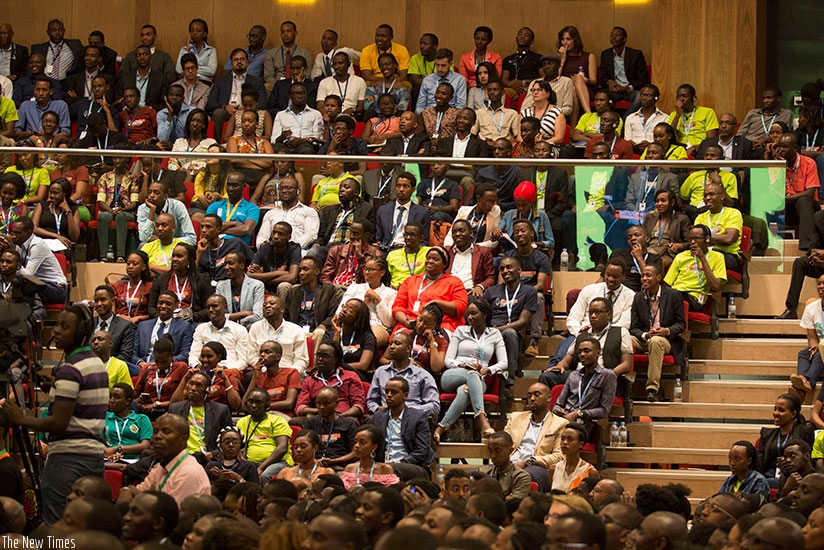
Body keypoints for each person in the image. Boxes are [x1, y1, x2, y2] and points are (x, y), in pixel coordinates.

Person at [1, 303, 105, 525]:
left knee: (58, 529)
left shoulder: (70, 369)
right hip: (92, 457)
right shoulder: (95, 362)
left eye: (65, 327)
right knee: (82, 528)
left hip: (67, 460)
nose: (56, 330)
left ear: (81, 332)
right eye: (57, 325)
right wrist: (55, 388)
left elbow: (59, 422)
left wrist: (22, 419)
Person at [435, 298, 507, 441]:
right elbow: (448, 360)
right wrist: (461, 365)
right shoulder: (460, 331)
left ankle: (440, 428)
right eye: (468, 314)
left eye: (474, 313)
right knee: (472, 374)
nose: (470, 317)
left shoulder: (494, 334)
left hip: (479, 378)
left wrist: (488, 370)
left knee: (465, 391)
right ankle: (482, 420)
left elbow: (504, 362)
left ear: (484, 314)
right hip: (453, 375)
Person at [543, 297, 633, 390]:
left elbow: (626, 364)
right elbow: (567, 360)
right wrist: (560, 366)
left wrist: (609, 374)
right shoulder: (582, 335)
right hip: (579, 375)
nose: (593, 316)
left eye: (598, 312)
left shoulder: (621, 332)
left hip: (603, 376)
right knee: (547, 377)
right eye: (590, 312)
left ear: (608, 315)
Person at [120, 413, 211, 506]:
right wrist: (127, 490)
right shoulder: (160, 466)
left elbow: (168, 513)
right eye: (155, 431)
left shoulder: (188, 472)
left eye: (166, 432)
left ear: (183, 439)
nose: (157, 436)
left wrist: (132, 493)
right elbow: (139, 491)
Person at [630, 264, 686, 402]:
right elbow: (634, 327)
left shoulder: (673, 295)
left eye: (648, 275)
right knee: (625, 340)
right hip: (645, 338)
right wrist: (644, 335)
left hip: (666, 340)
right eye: (643, 276)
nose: (644, 278)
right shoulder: (638, 298)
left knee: (655, 341)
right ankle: (622, 385)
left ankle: (652, 389)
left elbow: (681, 324)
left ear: (659, 277)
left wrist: (666, 331)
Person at [504, 382, 567, 492]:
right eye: (529, 396)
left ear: (549, 398)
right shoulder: (515, 418)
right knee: (476, 474)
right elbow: (504, 444)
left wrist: (530, 461)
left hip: (537, 466)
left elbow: (560, 456)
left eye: (537, 395)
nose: (532, 399)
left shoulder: (560, 424)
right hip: (510, 464)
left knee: (525, 476)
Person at [370, 375, 435, 481]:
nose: (389, 395)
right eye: (387, 392)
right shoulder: (378, 416)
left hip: (411, 465)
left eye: (394, 392)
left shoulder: (417, 417)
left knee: (387, 470)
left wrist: (399, 463)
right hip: (382, 465)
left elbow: (422, 451)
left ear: (405, 395)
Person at [484, 256, 537, 381]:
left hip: (512, 332)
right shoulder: (491, 291)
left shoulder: (529, 291)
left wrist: (498, 330)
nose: (505, 271)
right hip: (489, 330)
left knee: (509, 333)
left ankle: (509, 379)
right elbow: (482, 312)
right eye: (502, 268)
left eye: (509, 267)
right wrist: (490, 328)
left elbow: (523, 321)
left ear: (519, 270)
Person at [393, 246, 468, 333]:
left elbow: (460, 307)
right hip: (411, 324)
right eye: (428, 258)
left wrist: (437, 304)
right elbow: (397, 306)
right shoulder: (410, 281)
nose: (430, 261)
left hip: (441, 325)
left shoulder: (455, 282)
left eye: (435, 259)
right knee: (400, 339)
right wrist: (405, 321)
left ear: (444, 264)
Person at [551, 336, 618, 432]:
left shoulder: (607, 375)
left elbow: (604, 410)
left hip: (583, 424)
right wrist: (558, 410)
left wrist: (579, 413)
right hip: (564, 419)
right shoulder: (573, 375)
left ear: (598, 353)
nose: (582, 354)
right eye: (579, 352)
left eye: (587, 351)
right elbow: (558, 403)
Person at [367, 332, 439, 416]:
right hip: (385, 417)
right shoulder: (380, 372)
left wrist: (409, 411)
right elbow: (371, 400)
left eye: (397, 343)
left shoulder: (423, 375)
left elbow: (434, 405)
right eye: (391, 343)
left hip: (412, 418)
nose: (392, 346)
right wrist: (378, 409)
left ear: (408, 348)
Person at [168, 371, 234, 461]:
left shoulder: (220, 410)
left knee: (199, 456)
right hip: (182, 457)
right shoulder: (176, 409)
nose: (193, 388)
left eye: (199, 385)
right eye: (191, 384)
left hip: (208, 459)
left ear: (207, 390)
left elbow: (228, 438)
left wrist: (213, 454)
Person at [1, 216, 67, 304]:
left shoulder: (37, 245)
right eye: (12, 233)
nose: (13, 236)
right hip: (38, 283)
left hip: (55, 288)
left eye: (18, 233)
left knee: (24, 288)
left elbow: (28, 275)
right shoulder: (20, 245)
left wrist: (12, 251)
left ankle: (35, 311)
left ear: (29, 233)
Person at [334, 256, 397, 347]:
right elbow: (339, 312)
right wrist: (360, 305)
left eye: (371, 270)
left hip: (376, 326)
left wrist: (378, 300)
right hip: (352, 324)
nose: (366, 272)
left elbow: (389, 323)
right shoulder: (354, 288)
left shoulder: (391, 293)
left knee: (369, 338)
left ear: (382, 272)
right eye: (365, 269)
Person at [294, 341, 366, 420]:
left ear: (335, 359)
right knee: (295, 421)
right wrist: (322, 411)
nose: (320, 359)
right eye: (318, 355)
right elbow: (300, 408)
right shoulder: (309, 380)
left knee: (350, 421)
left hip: (344, 417)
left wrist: (339, 416)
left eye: (325, 356)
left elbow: (359, 406)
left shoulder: (350, 376)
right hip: (318, 418)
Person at [664, 224, 727, 312]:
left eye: (697, 238)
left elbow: (715, 286)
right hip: (675, 294)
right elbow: (667, 284)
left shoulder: (718, 257)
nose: (693, 242)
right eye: (691, 239)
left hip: (694, 297)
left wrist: (702, 258)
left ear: (707, 239)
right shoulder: (681, 256)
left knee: (675, 299)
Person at [756, 393, 815, 485]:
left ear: (793, 414)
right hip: (769, 475)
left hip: (795, 475)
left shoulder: (805, 431)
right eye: (775, 409)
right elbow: (760, 462)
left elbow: (808, 461)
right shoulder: (766, 434)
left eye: (781, 410)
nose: (776, 413)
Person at [237, 387, 294, 482]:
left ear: (267, 405)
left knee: (265, 475)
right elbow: (237, 447)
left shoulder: (277, 421)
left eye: (258, 402)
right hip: (251, 463)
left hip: (279, 462)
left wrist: (261, 467)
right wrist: (245, 464)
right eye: (250, 401)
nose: (253, 405)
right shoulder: (242, 422)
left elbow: (282, 448)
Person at [148, 243, 214, 323]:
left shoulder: (201, 280)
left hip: (191, 322)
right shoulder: (161, 279)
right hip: (165, 322)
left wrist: (193, 316)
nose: (174, 259)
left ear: (189, 260)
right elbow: (151, 307)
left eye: (179, 256)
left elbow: (209, 308)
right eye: (173, 256)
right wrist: (163, 318)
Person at [206, 49, 266, 137]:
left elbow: (263, 104)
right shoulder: (221, 80)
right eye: (236, 59)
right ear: (231, 64)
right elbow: (210, 103)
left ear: (247, 62)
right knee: (218, 113)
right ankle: (218, 143)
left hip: (247, 112)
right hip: (226, 112)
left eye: (242, 59)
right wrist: (225, 107)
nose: (239, 62)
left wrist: (246, 109)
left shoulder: (257, 82)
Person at [286, 256, 342, 348]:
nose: (301, 273)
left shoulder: (328, 290)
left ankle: (314, 358)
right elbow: (286, 314)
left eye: (305, 269)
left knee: (319, 333)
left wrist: (323, 325)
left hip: (317, 330)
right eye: (300, 270)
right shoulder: (294, 292)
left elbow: (333, 313)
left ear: (317, 271)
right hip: (297, 330)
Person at [777, 133, 820, 251]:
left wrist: (785, 198)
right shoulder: (775, 165)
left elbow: (809, 193)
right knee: (764, 200)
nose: (781, 150)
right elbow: (771, 191)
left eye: (785, 147)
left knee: (804, 201)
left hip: (806, 210)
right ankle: (761, 244)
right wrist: (779, 167)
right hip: (785, 209)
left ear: (795, 148)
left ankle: (807, 246)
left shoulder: (809, 163)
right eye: (780, 146)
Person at [189, 294, 255, 372]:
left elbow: (243, 361)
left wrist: (225, 368)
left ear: (225, 308)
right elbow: (193, 355)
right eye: (208, 307)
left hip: (229, 370)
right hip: (205, 370)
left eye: (214, 306)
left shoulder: (239, 330)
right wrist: (197, 366)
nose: (211, 309)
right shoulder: (201, 329)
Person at [248, 295, 310, 377]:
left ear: (282, 309)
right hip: (263, 372)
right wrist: (264, 370)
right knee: (249, 376)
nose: (267, 306)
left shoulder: (296, 330)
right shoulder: (255, 328)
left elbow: (301, 360)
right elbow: (251, 356)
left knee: (302, 380)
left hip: (289, 371)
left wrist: (289, 374)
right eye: (264, 305)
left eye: (272, 303)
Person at [256, 175, 318, 251]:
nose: (284, 191)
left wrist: (290, 248)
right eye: (281, 188)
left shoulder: (309, 212)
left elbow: (310, 235)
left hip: (298, 251)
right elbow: (262, 236)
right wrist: (263, 244)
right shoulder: (271, 213)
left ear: (298, 191)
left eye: (288, 188)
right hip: (273, 251)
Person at [96, 155, 139, 262]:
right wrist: (111, 211)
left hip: (126, 211)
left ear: (127, 159)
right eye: (115, 158)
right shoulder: (105, 177)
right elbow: (101, 201)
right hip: (108, 209)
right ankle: (103, 256)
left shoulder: (132, 178)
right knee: (103, 216)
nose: (117, 161)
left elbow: (134, 202)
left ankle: (121, 255)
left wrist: (123, 210)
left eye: (120, 158)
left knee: (121, 216)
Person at [133, 333, 189, 415]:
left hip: (170, 412)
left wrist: (158, 404)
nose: (160, 365)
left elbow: (182, 398)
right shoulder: (147, 369)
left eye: (164, 362)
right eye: (157, 361)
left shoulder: (181, 367)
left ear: (172, 356)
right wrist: (139, 401)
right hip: (146, 412)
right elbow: (135, 396)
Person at [789, 274, 824, 401]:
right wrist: (813, 347)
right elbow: (812, 336)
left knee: (820, 352)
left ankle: (808, 382)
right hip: (820, 346)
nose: (821, 287)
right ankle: (803, 379)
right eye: (819, 283)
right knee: (804, 354)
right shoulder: (811, 308)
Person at [375, 172, 431, 251]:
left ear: (413, 189)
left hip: (409, 251)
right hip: (385, 250)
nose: (401, 189)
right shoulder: (383, 210)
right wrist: (378, 244)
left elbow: (424, 242)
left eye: (405, 186)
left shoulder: (422, 213)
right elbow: (378, 238)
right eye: (398, 186)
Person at [598, 27, 649, 114]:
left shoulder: (635, 55)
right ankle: (609, 120)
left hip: (631, 90)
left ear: (624, 39)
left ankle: (625, 120)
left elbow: (643, 80)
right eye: (611, 35)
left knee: (639, 98)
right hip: (614, 91)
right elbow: (602, 78)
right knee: (602, 97)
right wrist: (609, 82)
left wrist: (628, 88)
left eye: (617, 35)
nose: (613, 37)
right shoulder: (606, 55)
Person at [304, 386, 358, 468]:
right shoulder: (311, 422)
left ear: (336, 403)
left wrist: (334, 461)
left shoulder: (348, 424)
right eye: (318, 403)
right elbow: (303, 448)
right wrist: (313, 461)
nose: (321, 407)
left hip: (339, 466)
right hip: (314, 465)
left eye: (326, 404)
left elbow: (355, 453)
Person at [205, 172, 261, 246]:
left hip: (237, 247)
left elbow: (246, 229)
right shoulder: (215, 206)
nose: (231, 189)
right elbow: (208, 228)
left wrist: (218, 231)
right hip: (216, 245)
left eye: (235, 185)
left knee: (235, 243)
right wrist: (234, 223)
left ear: (244, 186)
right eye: (228, 185)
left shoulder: (252, 208)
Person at [195, 214, 254, 284]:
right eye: (202, 227)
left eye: (208, 227)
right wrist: (199, 252)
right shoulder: (200, 250)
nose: (204, 230)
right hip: (209, 287)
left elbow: (254, 261)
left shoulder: (235, 244)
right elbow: (193, 276)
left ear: (218, 229)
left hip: (232, 285)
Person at [244, 340, 300, 414]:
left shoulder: (291, 373)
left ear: (278, 357)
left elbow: (289, 403)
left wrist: (262, 407)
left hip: (281, 415)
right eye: (261, 352)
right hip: (261, 414)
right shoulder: (259, 376)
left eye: (267, 352)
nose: (262, 355)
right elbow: (244, 406)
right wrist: (254, 377)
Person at [248, 222, 301, 299]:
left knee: (283, 286)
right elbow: (249, 274)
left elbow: (292, 278)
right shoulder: (264, 248)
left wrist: (263, 277)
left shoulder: (294, 249)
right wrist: (278, 273)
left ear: (289, 237)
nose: (276, 236)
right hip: (266, 287)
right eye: (274, 232)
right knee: (252, 285)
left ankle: (282, 307)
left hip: (287, 288)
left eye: (280, 234)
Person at [642, 189, 690, 272]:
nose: (659, 204)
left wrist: (678, 245)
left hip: (667, 253)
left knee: (657, 264)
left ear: (672, 202)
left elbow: (689, 242)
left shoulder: (681, 219)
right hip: (649, 251)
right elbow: (642, 236)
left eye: (663, 201)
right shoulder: (650, 217)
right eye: (657, 201)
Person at [102, 383, 152, 462]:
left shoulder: (142, 419)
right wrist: (107, 452)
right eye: (111, 397)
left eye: (116, 397)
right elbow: (95, 440)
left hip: (135, 461)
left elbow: (145, 445)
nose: (111, 400)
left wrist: (117, 449)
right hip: (108, 460)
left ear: (127, 401)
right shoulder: (104, 417)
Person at [271, 81, 324, 154]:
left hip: (306, 144)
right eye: (296, 93)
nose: (300, 96)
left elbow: (317, 138)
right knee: (277, 148)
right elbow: (274, 140)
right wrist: (282, 137)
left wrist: (302, 140)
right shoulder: (281, 115)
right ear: (290, 96)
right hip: (285, 144)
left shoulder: (315, 114)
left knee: (306, 149)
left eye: (303, 93)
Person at [340, 424, 400, 489]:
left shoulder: (385, 469)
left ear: (374, 447)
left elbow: (391, 493)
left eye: (362, 442)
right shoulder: (349, 468)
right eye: (355, 442)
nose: (357, 446)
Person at [557, 25, 597, 119]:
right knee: (572, 90)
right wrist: (562, 59)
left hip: (584, 89)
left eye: (568, 39)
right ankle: (588, 115)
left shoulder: (589, 56)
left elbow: (594, 82)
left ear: (575, 40)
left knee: (577, 80)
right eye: (562, 39)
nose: (565, 42)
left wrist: (585, 80)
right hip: (564, 89)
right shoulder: (559, 57)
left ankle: (585, 117)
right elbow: (556, 78)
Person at [448, 219, 496, 296]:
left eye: (461, 231)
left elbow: (491, 277)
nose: (457, 234)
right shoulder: (447, 252)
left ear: (471, 233)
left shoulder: (483, 252)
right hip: (448, 292)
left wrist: (480, 287)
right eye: (454, 232)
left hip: (470, 292)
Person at [667, 84, 719, 155]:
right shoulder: (674, 115)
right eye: (678, 97)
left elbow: (711, 140)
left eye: (684, 96)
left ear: (694, 98)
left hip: (701, 150)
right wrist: (678, 115)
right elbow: (669, 137)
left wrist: (695, 148)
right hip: (679, 150)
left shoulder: (707, 112)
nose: (681, 99)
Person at [331, 297, 377, 376]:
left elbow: (363, 365)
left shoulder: (367, 337)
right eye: (344, 306)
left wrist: (338, 367)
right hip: (331, 375)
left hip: (355, 376)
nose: (344, 310)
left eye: (350, 310)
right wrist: (336, 336)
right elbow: (328, 358)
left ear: (358, 318)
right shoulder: (331, 333)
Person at [31, 178, 79, 252]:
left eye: (56, 193)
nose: (52, 196)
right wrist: (57, 236)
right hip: (43, 242)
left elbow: (74, 237)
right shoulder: (42, 205)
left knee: (61, 252)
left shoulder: (73, 209)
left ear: (64, 194)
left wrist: (68, 212)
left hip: (64, 245)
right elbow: (34, 228)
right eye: (50, 192)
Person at [263, 21, 314, 88]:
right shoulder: (271, 53)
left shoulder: (305, 54)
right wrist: (280, 85)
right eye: (282, 32)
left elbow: (307, 75)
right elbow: (268, 76)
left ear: (295, 33)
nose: (285, 34)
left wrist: (295, 83)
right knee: (266, 86)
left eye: (288, 31)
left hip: (298, 85)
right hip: (276, 85)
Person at [416, 48, 467, 114]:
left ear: (451, 64)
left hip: (450, 114)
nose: (440, 69)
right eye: (437, 65)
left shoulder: (459, 80)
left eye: (443, 65)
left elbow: (460, 106)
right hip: (429, 114)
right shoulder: (427, 80)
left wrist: (449, 117)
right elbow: (420, 106)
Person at [549, 424, 598, 492]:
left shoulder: (590, 472)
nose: (564, 442)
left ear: (580, 444)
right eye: (562, 439)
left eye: (570, 439)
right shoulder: (554, 469)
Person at [167, 108, 217, 175]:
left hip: (202, 176)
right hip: (181, 175)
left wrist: (200, 171)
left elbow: (214, 163)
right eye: (192, 120)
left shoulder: (211, 143)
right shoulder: (179, 142)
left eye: (199, 121)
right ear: (188, 123)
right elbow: (171, 163)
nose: (195, 124)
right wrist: (182, 170)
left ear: (204, 125)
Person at [316, 52, 366, 117]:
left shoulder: (359, 81)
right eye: (334, 64)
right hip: (330, 116)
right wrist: (329, 116)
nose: (337, 66)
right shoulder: (324, 82)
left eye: (340, 63)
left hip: (351, 116)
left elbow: (361, 107)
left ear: (348, 64)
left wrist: (352, 110)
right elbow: (320, 106)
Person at [624, 84, 668, 154]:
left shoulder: (664, 118)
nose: (644, 98)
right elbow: (627, 139)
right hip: (634, 153)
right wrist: (631, 143)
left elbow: (665, 142)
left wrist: (651, 145)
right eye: (642, 95)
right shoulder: (630, 118)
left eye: (648, 95)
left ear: (656, 98)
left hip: (654, 154)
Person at [190, 144, 231, 217]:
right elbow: (198, 193)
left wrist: (218, 196)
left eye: (213, 152)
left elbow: (229, 196)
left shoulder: (229, 176)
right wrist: (201, 197)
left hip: (223, 207)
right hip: (203, 207)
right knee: (197, 216)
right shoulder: (201, 175)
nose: (209, 155)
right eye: (208, 153)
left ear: (222, 157)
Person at [386, 221, 430, 288]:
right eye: (406, 234)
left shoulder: (428, 252)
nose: (408, 237)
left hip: (419, 289)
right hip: (396, 289)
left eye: (413, 234)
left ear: (421, 238)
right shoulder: (392, 255)